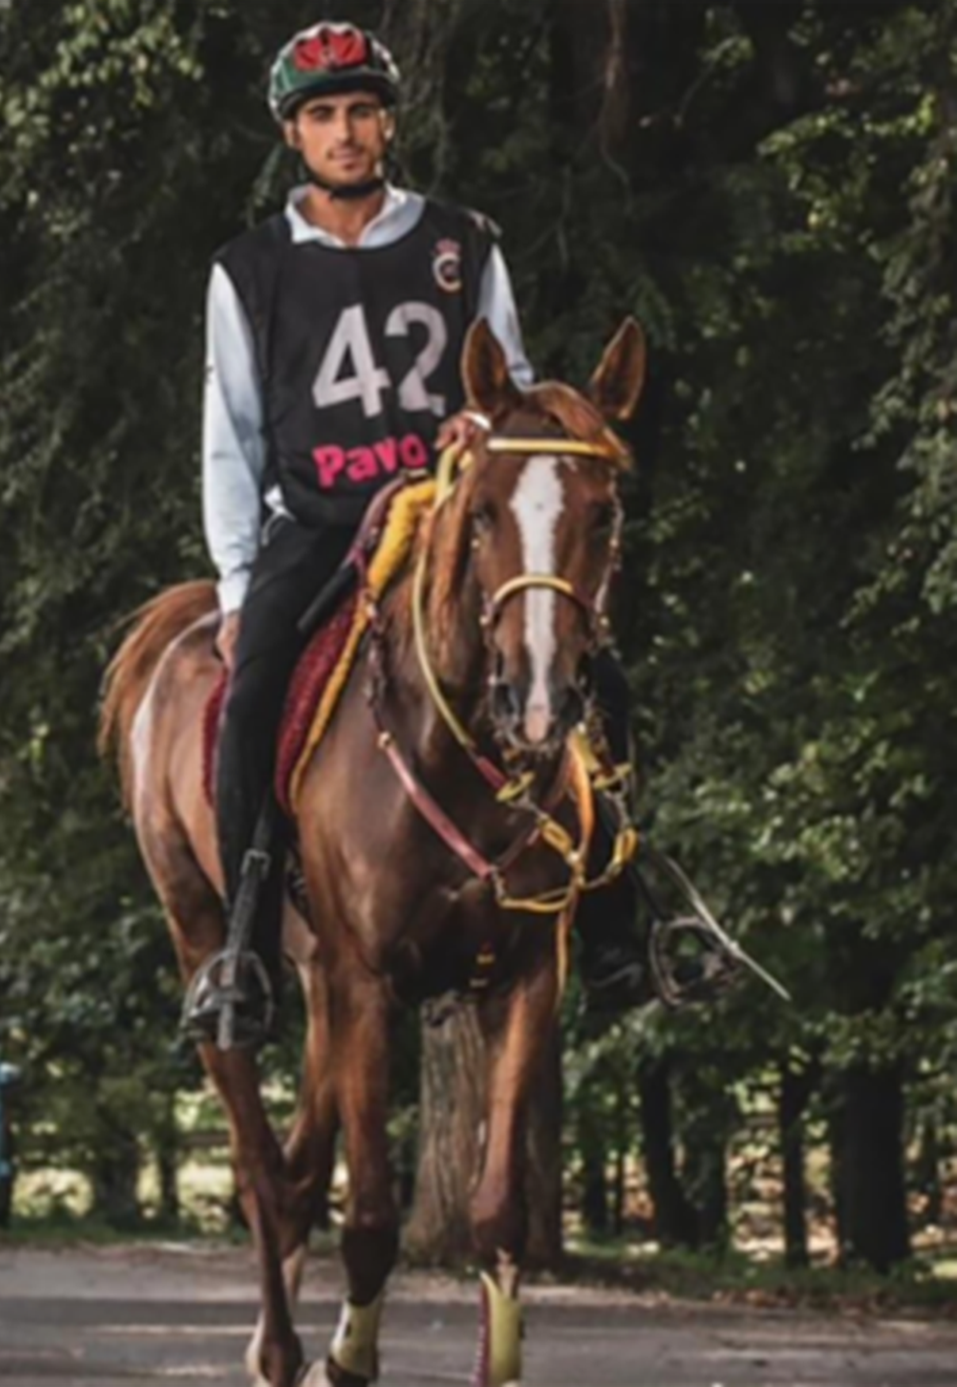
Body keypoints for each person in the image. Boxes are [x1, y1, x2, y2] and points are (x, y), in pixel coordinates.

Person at [186, 20, 650, 1049]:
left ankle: (626, 921)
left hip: (450, 516)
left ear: (387, 121)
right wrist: (232, 585)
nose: (344, 133)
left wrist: (483, 428)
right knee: (254, 691)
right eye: (321, 116)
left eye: (359, 111)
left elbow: (514, 395)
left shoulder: (462, 241)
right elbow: (234, 435)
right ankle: (248, 949)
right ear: (292, 134)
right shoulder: (249, 271)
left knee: (594, 674)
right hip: (314, 525)